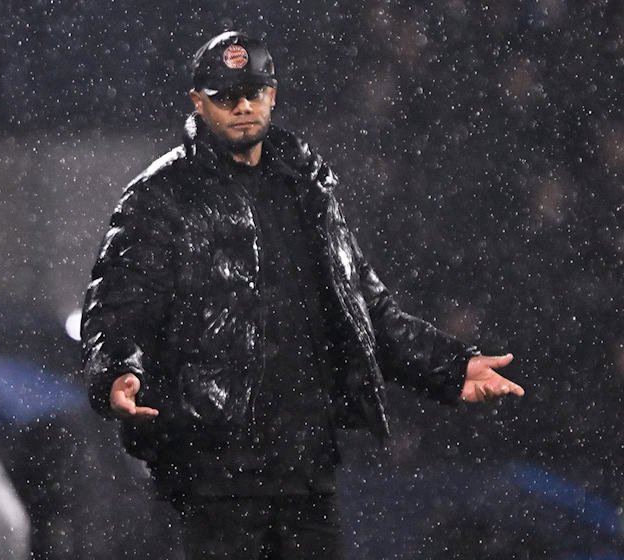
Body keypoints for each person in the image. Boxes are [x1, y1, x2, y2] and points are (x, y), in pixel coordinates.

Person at [82, 31, 525, 559]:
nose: (243, 106)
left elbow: (364, 308)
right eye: (225, 96)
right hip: (211, 474)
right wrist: (118, 371)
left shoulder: (308, 187)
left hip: (305, 468)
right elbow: (120, 305)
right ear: (197, 104)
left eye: (254, 91)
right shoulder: (161, 196)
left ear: (274, 94)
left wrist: (450, 367)